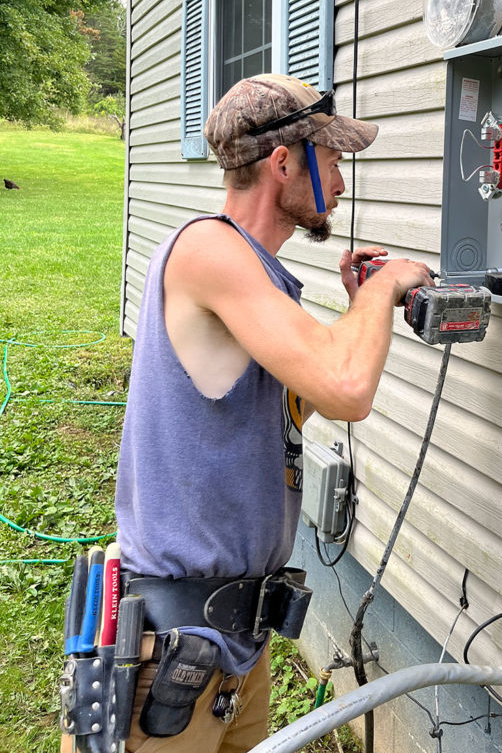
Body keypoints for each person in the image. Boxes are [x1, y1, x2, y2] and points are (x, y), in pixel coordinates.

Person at [113, 73, 433, 753]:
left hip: (237, 645)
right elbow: (349, 390)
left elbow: (290, 412)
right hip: (171, 652)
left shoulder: (251, 274)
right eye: (334, 158)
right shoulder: (210, 250)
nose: (343, 182)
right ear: (283, 163)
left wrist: (356, 308)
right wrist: (390, 289)